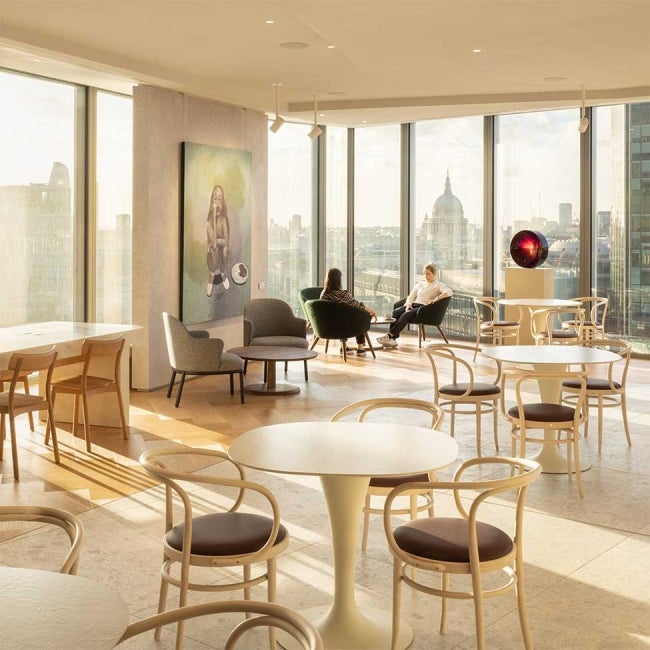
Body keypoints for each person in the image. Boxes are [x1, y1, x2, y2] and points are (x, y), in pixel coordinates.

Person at [378, 262, 452, 348]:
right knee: (396, 312)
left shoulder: (438, 285)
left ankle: (390, 336)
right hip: (413, 305)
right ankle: (393, 339)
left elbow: (449, 292)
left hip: (424, 308)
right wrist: (408, 305)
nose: (426, 276)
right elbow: (411, 296)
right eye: (424, 274)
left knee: (406, 314)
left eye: (428, 274)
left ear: (434, 274)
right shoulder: (420, 284)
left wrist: (436, 299)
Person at [320, 268, 377, 355]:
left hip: (327, 326)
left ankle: (344, 347)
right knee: (359, 316)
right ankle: (360, 348)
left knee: (340, 315)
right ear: (339, 280)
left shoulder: (324, 293)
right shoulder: (343, 293)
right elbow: (357, 304)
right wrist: (371, 311)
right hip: (343, 326)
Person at [206, 185, 231, 297]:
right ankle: (212, 276)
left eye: (219, 198)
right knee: (214, 249)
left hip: (222, 251)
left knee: (225, 250)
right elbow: (214, 244)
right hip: (213, 254)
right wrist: (214, 217)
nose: (217, 201)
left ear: (222, 202)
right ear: (212, 201)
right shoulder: (208, 223)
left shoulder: (224, 220)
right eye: (215, 198)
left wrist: (219, 241)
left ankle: (222, 273)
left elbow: (226, 242)